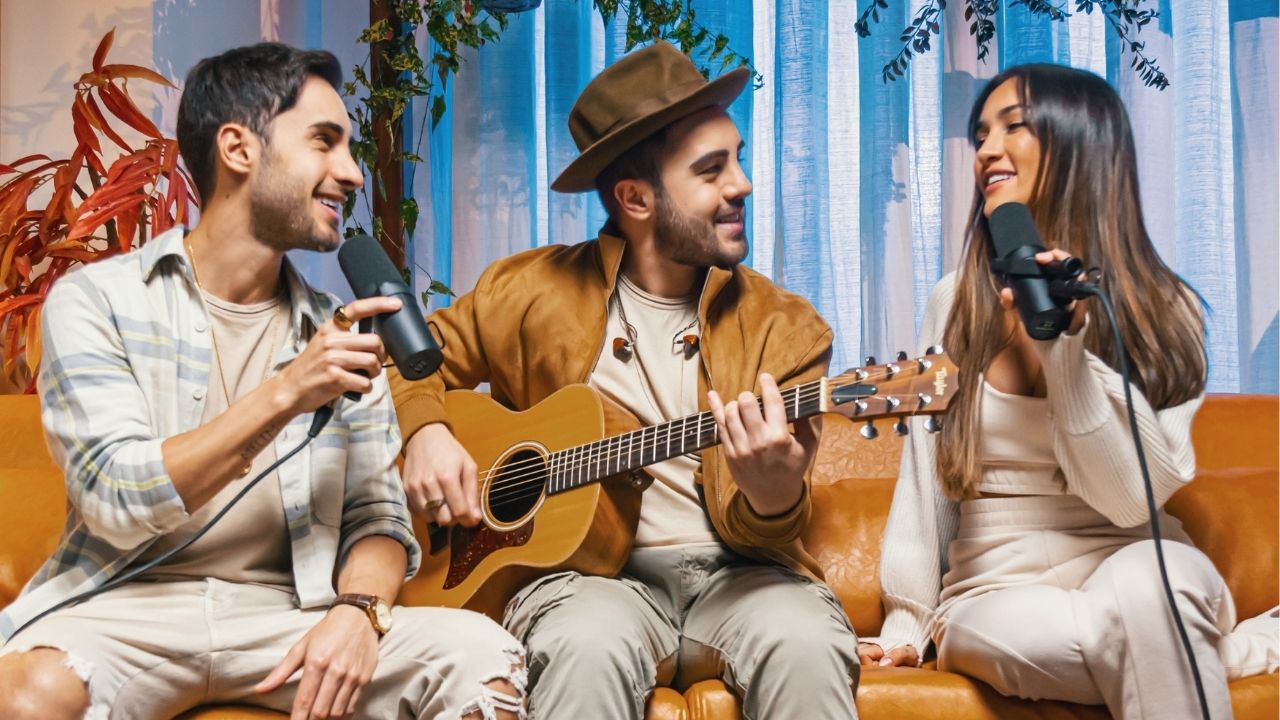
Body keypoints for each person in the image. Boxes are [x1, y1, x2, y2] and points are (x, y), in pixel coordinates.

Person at [0, 43, 526, 720]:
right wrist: (288, 392)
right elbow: (114, 495)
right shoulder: (96, 301)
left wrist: (359, 612)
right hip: (124, 608)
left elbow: (379, 518)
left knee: (483, 660)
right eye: (324, 143)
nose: (352, 174)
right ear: (239, 150)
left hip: (285, 616)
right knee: (22, 695)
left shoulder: (343, 338)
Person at [389, 41, 860, 719]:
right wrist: (428, 429)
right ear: (636, 198)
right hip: (585, 581)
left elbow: (770, 529)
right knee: (582, 644)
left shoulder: (784, 327)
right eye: (711, 170)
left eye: (739, 158)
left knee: (808, 641)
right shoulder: (528, 292)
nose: (742, 185)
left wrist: (773, 495)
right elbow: (406, 360)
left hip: (745, 576)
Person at [858, 63, 1279, 718]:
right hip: (996, 588)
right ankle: (1243, 649)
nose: (986, 149)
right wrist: (907, 624)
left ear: (1080, 143)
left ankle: (1187, 636)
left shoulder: (1162, 309)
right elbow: (925, 483)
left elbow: (1128, 496)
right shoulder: (953, 302)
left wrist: (1063, 349)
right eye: (981, 134)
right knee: (1153, 633)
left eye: (1013, 127)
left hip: (1141, 557)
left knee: (1148, 596)